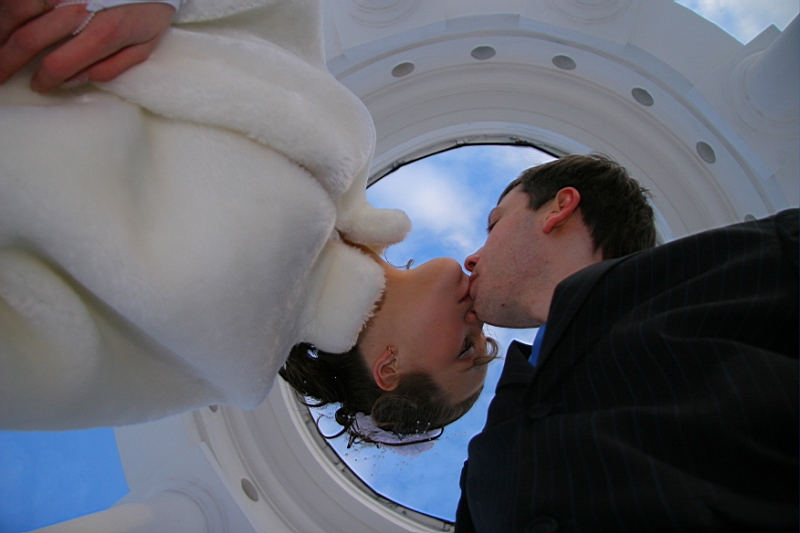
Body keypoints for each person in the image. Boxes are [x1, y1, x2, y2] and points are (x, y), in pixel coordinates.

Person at [0, 0, 496, 442]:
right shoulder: (348, 153)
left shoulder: (221, 357)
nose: (479, 322)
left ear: (390, 367)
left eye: (465, 350)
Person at [456, 154, 798, 532]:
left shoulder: (756, 265)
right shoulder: (480, 466)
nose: (471, 259)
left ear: (559, 207)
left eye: (494, 224)